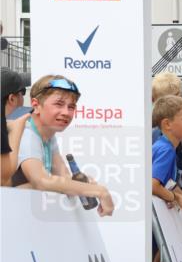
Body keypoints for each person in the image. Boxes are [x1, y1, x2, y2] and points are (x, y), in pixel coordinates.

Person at [8, 74, 115, 215]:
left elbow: (63, 178)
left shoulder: (48, 135)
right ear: (36, 105)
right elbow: (41, 181)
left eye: (71, 107)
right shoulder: (26, 133)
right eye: (59, 104)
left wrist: (84, 184)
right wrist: (100, 191)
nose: (66, 112)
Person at [151, 95, 182, 219]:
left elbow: (169, 184)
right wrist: (175, 197)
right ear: (167, 124)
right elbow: (153, 186)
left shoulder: (165, 147)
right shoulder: (166, 150)